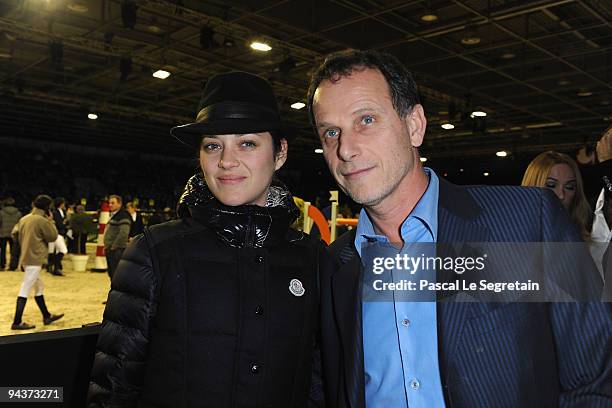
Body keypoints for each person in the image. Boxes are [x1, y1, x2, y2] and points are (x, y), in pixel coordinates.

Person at [307, 50, 610, 407]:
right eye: (331, 132)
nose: (346, 149)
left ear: (414, 124)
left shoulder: (525, 222)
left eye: (367, 120)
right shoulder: (335, 266)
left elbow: (596, 380)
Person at [88, 72, 329, 407]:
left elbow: (316, 382)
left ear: (280, 153)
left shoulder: (313, 258)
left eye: (247, 143)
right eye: (213, 145)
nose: (227, 161)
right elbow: (114, 386)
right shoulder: (154, 252)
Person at [11, 194, 64, 330]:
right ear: (47, 208)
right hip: (35, 258)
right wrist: (51, 221)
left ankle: (46, 316)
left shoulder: (24, 218)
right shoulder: (42, 220)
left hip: (26, 257)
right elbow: (53, 237)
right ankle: (17, 322)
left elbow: (14, 233)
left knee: (38, 287)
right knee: (25, 289)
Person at [521, 151, 591, 240]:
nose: (561, 195)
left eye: (569, 187)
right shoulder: (511, 234)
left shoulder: (585, 243)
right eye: (551, 185)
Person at [103, 195, 130, 280]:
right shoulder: (115, 215)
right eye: (109, 203)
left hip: (116, 251)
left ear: (119, 204)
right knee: (112, 274)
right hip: (111, 249)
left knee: (117, 275)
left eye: (113, 203)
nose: (110, 205)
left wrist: (114, 246)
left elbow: (123, 233)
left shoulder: (123, 216)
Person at [47, 197, 68, 275]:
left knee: (55, 250)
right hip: (57, 233)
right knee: (62, 250)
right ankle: (56, 267)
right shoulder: (55, 212)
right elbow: (59, 223)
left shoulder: (63, 211)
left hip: (61, 232)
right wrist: (64, 224)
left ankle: (54, 266)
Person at [0, 197, 22, 270]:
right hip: (14, 233)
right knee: (14, 251)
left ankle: (2, 265)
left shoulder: (1, 213)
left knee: (2, 250)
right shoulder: (18, 213)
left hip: (3, 233)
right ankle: (13, 266)